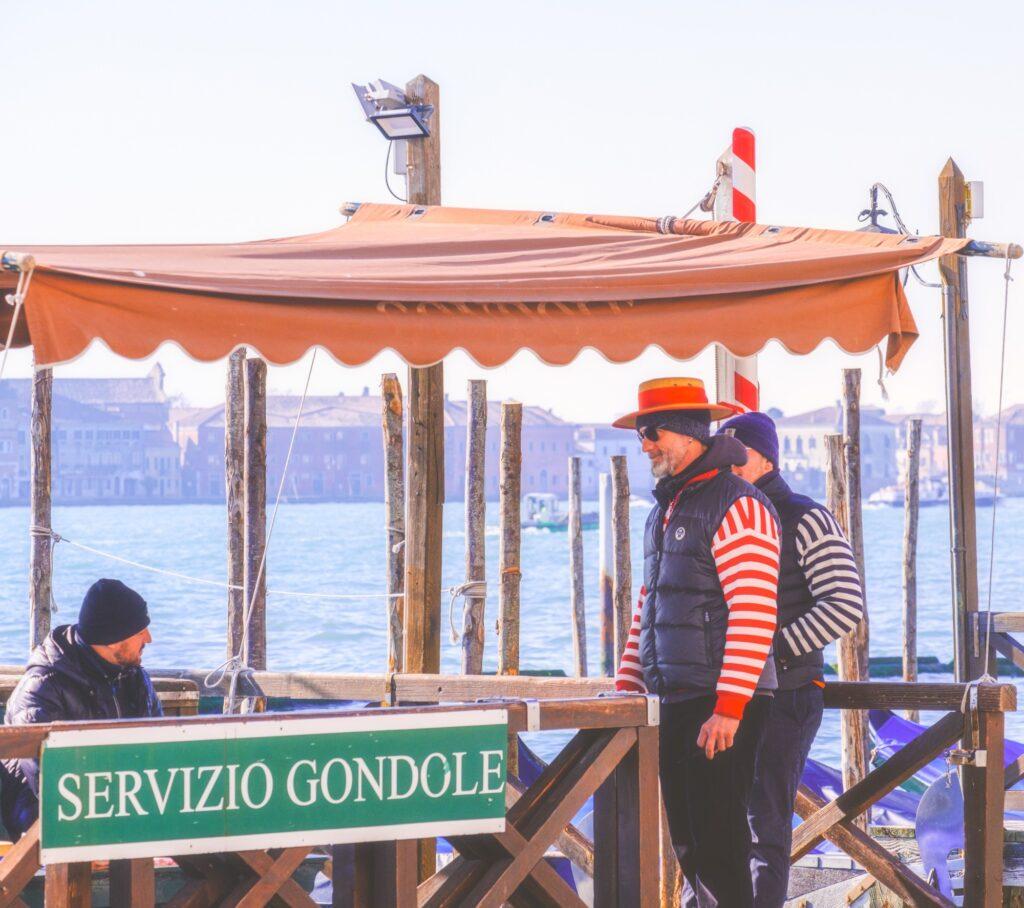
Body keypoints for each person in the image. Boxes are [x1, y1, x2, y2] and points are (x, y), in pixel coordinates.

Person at [613, 378, 781, 907]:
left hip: (719, 704)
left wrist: (729, 707)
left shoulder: (740, 505)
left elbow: (755, 609)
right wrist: (626, 687)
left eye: (652, 432)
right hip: (675, 700)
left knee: (721, 846)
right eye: (642, 433)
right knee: (690, 845)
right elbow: (650, 605)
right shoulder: (663, 511)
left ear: (688, 434)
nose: (645, 444)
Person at [718, 411, 864, 908]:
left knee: (763, 823)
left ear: (766, 458)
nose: (729, 464)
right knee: (719, 822)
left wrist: (765, 648)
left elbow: (845, 604)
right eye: (724, 455)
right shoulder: (726, 516)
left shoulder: (806, 516)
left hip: (789, 694)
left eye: (739, 456)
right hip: (730, 697)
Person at [0, 579, 161, 839]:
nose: (149, 639)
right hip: (43, 830)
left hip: (120, 816)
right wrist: (87, 835)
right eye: (140, 630)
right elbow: (47, 783)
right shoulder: (42, 688)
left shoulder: (135, 678)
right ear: (112, 638)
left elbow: (159, 756)